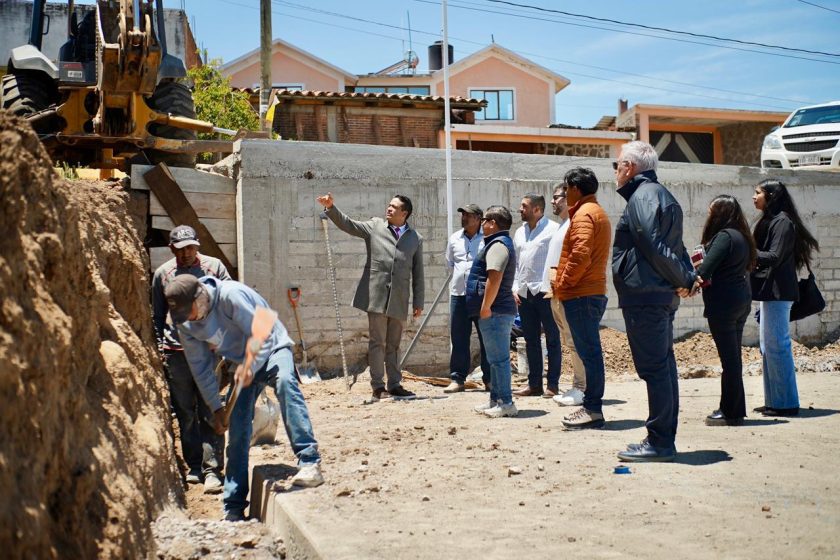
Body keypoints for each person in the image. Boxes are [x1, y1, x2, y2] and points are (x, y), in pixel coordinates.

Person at [164, 275, 323, 522]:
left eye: (189, 311)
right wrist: (216, 408)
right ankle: (234, 505)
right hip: (241, 364)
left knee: (285, 383)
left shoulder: (230, 296)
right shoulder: (185, 323)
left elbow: (264, 328)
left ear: (200, 297)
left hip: (272, 347)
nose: (188, 318)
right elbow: (201, 368)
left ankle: (309, 461)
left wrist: (251, 364)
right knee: (237, 428)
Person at [611, 141, 696, 462]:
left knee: (655, 369)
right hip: (655, 294)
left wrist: (685, 278)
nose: (616, 171)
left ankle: (660, 442)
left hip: (645, 296)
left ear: (630, 167)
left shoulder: (643, 196)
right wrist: (686, 276)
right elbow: (676, 248)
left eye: (618, 165)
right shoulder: (661, 195)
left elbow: (652, 243)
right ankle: (662, 438)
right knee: (663, 367)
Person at [317, 192, 424, 400]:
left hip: (400, 298)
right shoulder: (375, 226)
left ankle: (395, 385)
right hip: (376, 296)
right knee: (377, 342)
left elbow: (418, 273)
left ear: (404, 213)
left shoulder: (415, 238)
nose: (389, 208)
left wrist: (418, 302)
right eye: (389, 205)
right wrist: (331, 208)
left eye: (394, 207)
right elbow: (349, 225)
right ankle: (378, 387)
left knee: (394, 345)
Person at [151, 225, 229, 494]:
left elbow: (228, 303)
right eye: (181, 249)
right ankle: (194, 465)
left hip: (208, 352)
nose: (186, 253)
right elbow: (157, 316)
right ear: (171, 249)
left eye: (191, 248)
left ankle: (212, 469)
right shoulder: (163, 274)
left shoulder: (214, 268)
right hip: (176, 354)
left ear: (197, 245)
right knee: (185, 412)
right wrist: (161, 347)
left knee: (210, 409)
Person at [750, 179, 819, 418]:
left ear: (771, 196)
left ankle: (787, 403)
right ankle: (774, 401)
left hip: (779, 292)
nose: (754, 197)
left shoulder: (783, 222)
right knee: (768, 348)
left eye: (758, 193)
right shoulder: (772, 221)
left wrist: (746, 251)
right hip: (770, 292)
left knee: (778, 346)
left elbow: (774, 256)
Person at [551, 168, 612, 430]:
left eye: (566, 189)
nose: (565, 194)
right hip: (587, 292)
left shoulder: (585, 214)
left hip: (581, 293)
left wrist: (563, 283)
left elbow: (580, 254)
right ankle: (591, 407)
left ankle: (592, 409)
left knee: (589, 354)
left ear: (575, 189)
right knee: (590, 352)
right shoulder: (593, 211)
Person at [692, 196, 756, 426]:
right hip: (740, 300)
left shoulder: (724, 237)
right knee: (733, 359)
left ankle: (731, 412)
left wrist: (689, 283)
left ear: (720, 214)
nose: (708, 216)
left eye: (711, 212)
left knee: (729, 361)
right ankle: (735, 408)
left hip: (724, 304)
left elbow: (705, 270)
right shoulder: (742, 236)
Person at [467, 206, 519, 418]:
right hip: (495, 310)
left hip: (496, 311)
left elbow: (494, 277)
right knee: (494, 359)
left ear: (492, 223)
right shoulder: (496, 243)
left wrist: (486, 306)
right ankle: (496, 400)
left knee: (499, 360)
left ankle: (506, 402)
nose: (482, 224)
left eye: (484, 220)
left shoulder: (498, 245)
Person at [512, 193, 562, 397]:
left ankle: (553, 385)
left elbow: (558, 260)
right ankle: (534, 385)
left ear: (537, 210)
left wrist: (554, 288)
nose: (520, 209)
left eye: (524, 206)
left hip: (545, 292)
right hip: (524, 293)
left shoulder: (554, 229)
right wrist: (515, 287)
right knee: (530, 339)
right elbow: (516, 263)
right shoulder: (519, 232)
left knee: (552, 338)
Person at [543, 184, 586, 407]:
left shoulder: (575, 223)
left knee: (576, 341)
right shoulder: (562, 225)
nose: (553, 201)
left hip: (568, 292)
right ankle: (578, 386)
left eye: (557, 197)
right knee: (569, 341)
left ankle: (582, 388)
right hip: (556, 292)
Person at [444, 204, 490, 393]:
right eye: (462, 214)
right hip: (459, 294)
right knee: (459, 337)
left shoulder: (487, 239)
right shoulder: (454, 238)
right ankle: (457, 379)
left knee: (486, 337)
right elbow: (450, 263)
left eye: (468, 215)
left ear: (478, 219)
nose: (463, 217)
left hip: (480, 296)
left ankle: (490, 379)